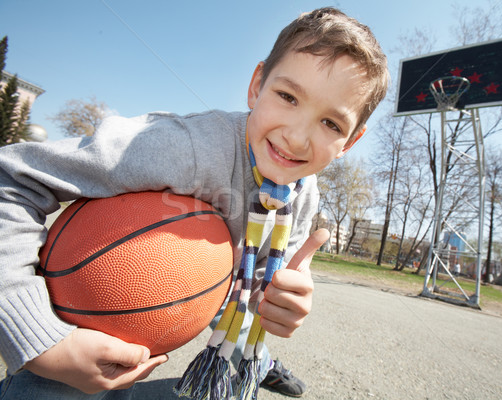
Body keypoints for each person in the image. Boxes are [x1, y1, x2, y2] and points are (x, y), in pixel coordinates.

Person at [0, 7, 388, 399]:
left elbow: (257, 287)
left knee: (235, 361)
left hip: (210, 294)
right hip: (88, 308)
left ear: (350, 142)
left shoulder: (304, 192)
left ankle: (256, 359)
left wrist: (283, 297)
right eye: (288, 96)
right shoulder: (184, 148)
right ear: (256, 85)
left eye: (331, 124)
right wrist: (39, 338)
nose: (297, 136)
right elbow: (9, 177)